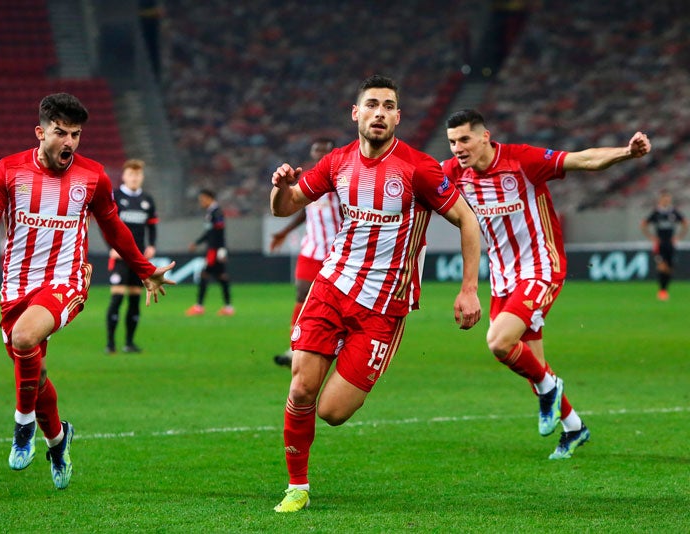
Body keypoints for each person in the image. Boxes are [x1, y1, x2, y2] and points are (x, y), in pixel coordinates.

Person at [0, 93, 175, 490]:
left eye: (75, 135)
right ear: (40, 131)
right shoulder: (8, 171)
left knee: (24, 337)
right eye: (60, 132)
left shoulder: (93, 176)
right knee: (36, 371)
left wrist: (145, 270)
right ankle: (59, 440)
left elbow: (113, 228)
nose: (69, 142)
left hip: (67, 280)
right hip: (16, 287)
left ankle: (23, 425)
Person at [269, 75, 482, 513]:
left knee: (332, 411)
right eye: (372, 104)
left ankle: (351, 357)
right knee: (302, 388)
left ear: (398, 117)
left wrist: (469, 289)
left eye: (389, 106)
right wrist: (281, 186)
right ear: (356, 113)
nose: (380, 112)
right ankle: (298, 485)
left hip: (383, 307)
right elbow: (286, 206)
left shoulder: (418, 167)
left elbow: (468, 220)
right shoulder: (337, 162)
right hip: (332, 286)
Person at [442, 108, 651, 460]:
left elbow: (583, 160)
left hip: (541, 267)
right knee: (529, 362)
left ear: (484, 137)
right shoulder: (453, 173)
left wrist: (626, 153)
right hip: (503, 277)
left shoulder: (521, 160)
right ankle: (573, 427)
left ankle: (550, 391)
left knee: (498, 342)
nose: (457, 148)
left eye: (464, 139)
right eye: (451, 142)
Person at [269, 138, 340, 367]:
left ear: (331, 153)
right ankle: (294, 348)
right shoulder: (309, 178)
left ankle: (334, 344)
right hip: (311, 248)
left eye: (324, 150)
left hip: (337, 250)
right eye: (316, 150)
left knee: (336, 302)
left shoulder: (341, 178)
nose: (319, 153)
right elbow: (302, 209)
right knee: (301, 294)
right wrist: (283, 231)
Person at [106, 158, 159, 354]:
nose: (135, 178)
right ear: (124, 176)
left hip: (138, 258)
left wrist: (152, 245)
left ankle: (129, 342)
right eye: (131, 174)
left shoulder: (147, 200)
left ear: (142, 177)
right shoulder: (116, 197)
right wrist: (111, 247)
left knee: (136, 299)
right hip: (121, 257)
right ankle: (110, 343)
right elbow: (107, 226)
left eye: (138, 175)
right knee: (117, 298)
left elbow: (152, 225)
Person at [185, 188, 234, 316]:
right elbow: (209, 233)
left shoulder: (217, 213)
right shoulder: (210, 212)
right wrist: (196, 243)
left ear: (209, 198)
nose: (201, 202)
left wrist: (221, 250)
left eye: (202, 199)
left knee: (206, 275)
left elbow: (219, 233)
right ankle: (228, 307)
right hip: (213, 249)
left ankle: (199, 307)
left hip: (215, 250)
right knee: (221, 277)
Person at [640, 190, 687, 300]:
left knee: (669, 268)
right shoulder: (656, 213)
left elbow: (685, 223)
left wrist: (678, 237)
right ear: (660, 200)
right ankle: (662, 291)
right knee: (662, 267)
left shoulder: (674, 212)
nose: (666, 200)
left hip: (670, 244)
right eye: (664, 198)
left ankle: (665, 289)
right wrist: (652, 238)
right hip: (660, 244)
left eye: (668, 198)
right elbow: (643, 224)